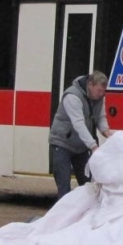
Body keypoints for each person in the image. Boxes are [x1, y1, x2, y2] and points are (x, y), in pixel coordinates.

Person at [48, 71, 113, 199]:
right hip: (62, 144)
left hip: (81, 146)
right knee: (64, 185)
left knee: (88, 184)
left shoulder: (99, 98)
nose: (101, 94)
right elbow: (79, 124)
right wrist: (93, 146)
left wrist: (107, 132)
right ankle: (64, 215)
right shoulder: (72, 96)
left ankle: (88, 214)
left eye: (103, 91)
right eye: (99, 91)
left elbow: (100, 117)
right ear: (90, 85)